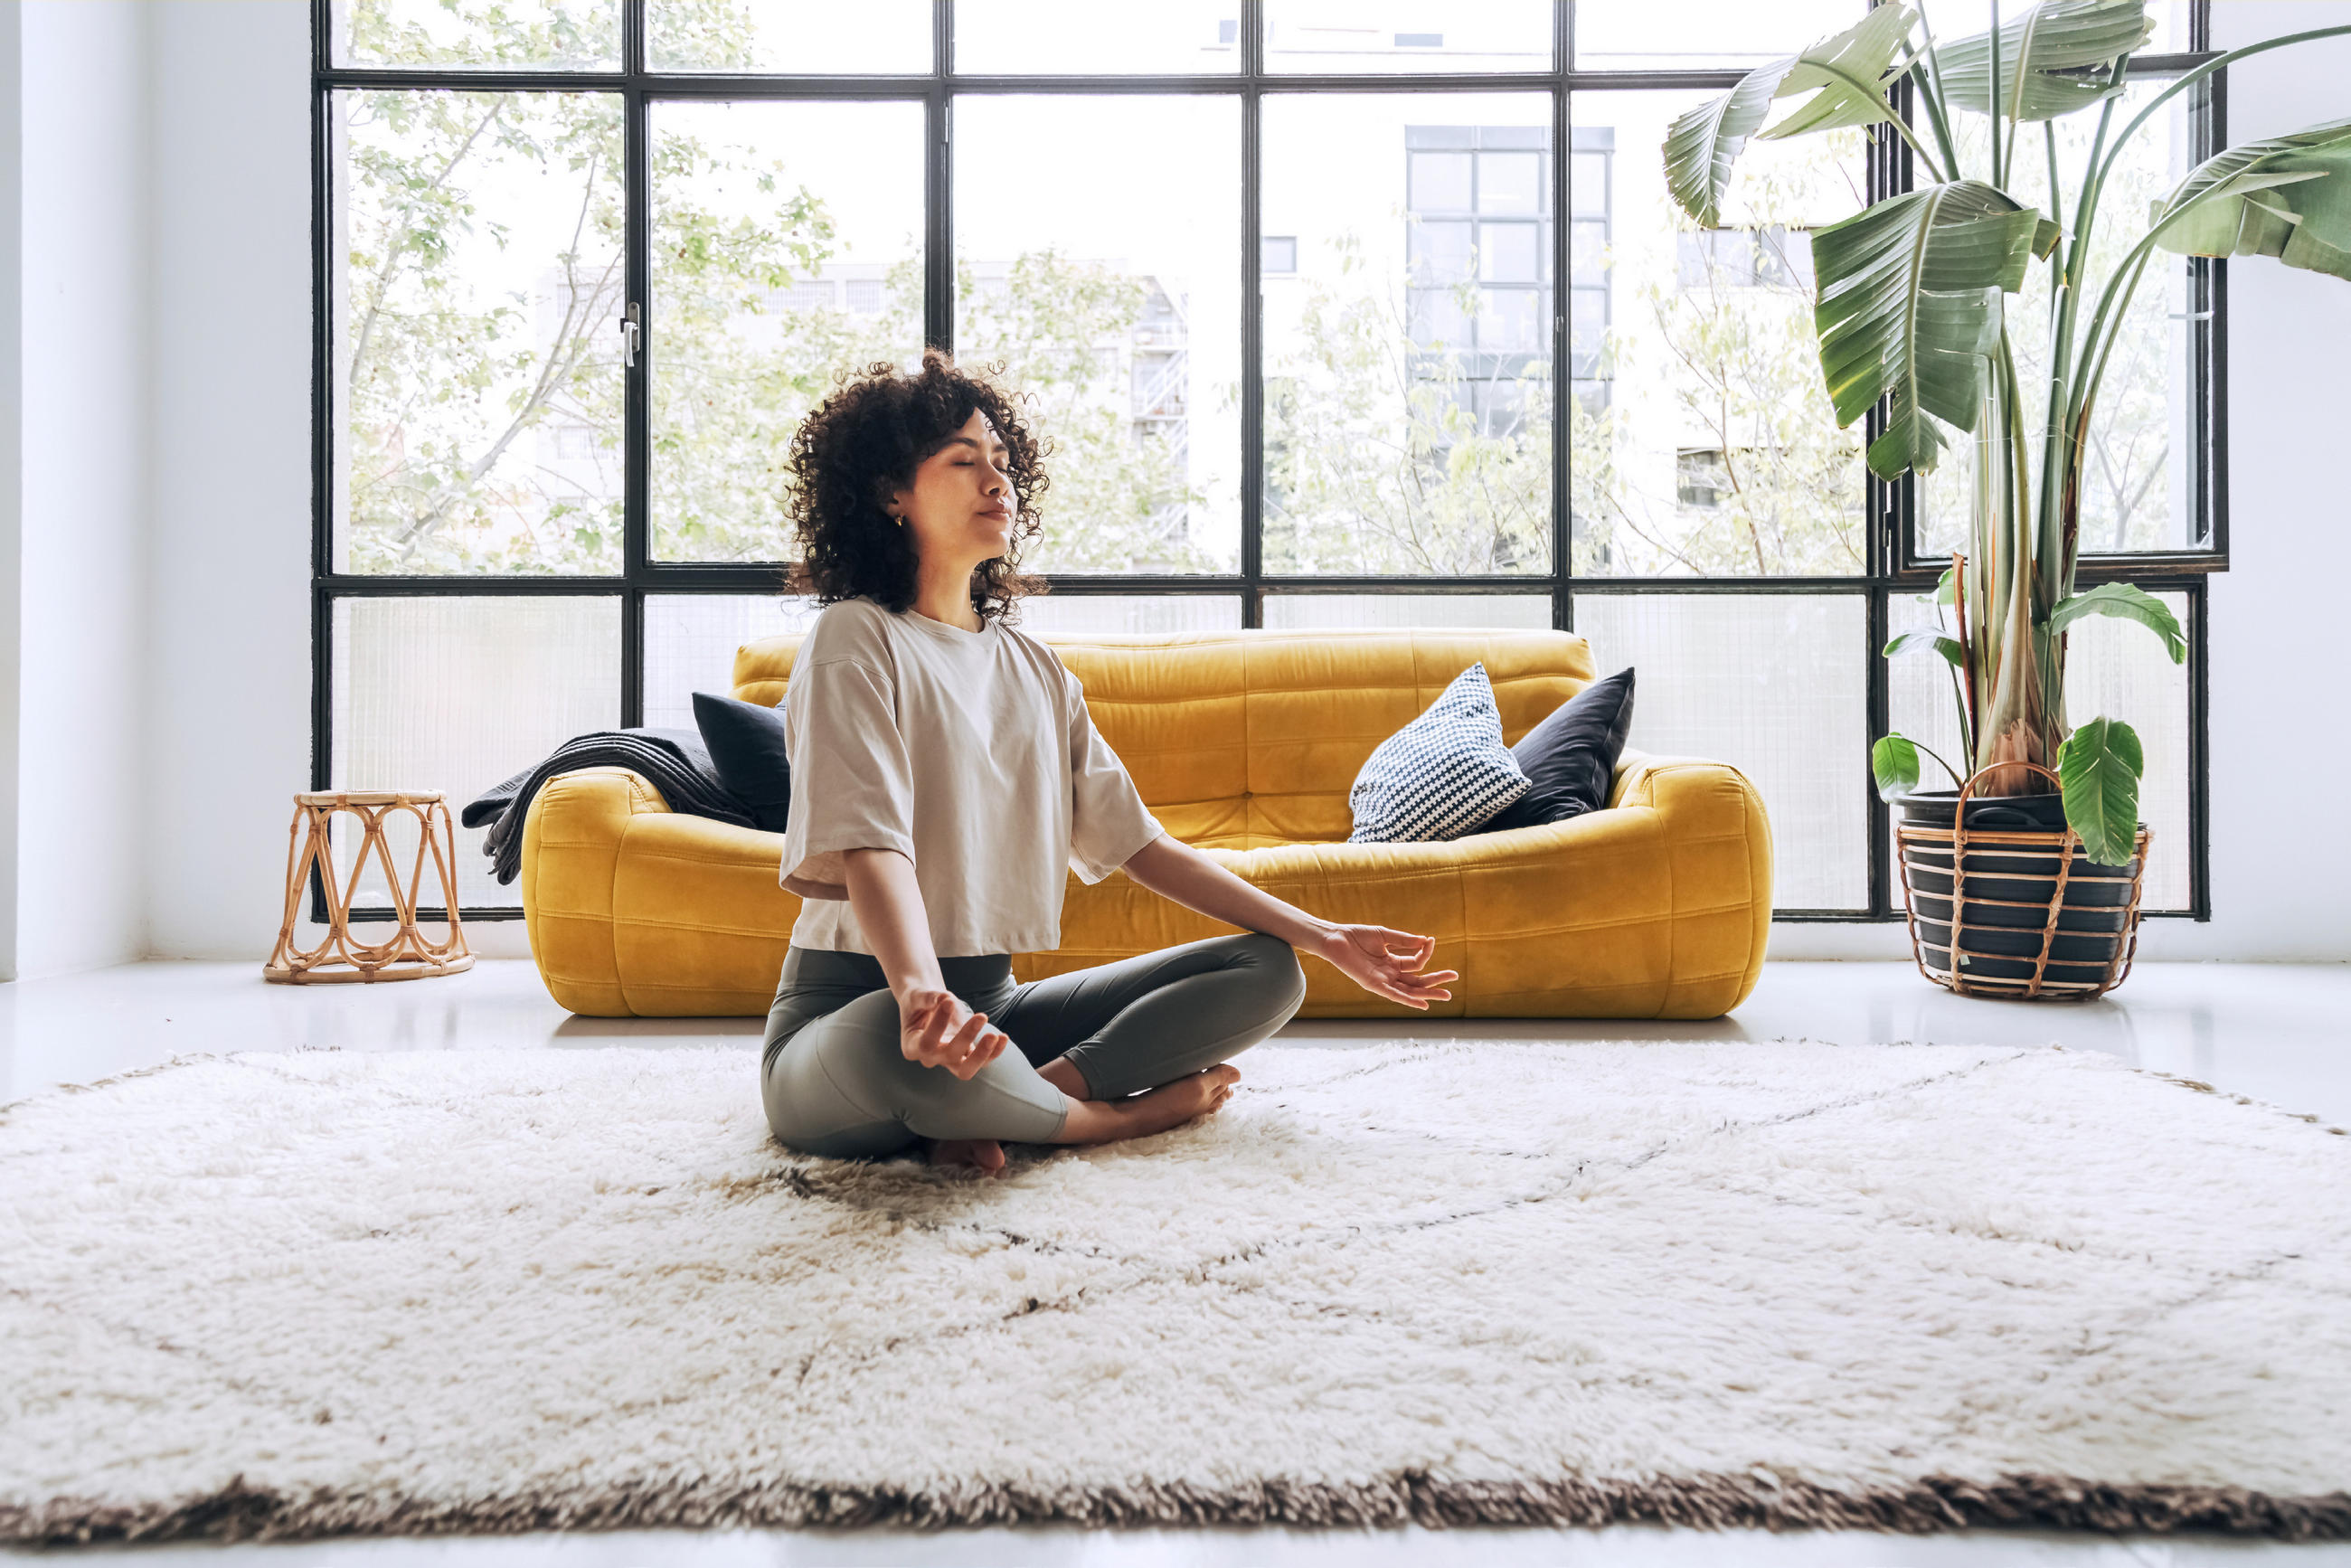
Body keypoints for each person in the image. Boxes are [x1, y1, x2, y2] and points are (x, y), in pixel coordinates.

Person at [761, 349, 1458, 1176]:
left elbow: (1141, 847)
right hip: (854, 1011)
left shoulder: (1036, 670)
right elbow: (872, 842)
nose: (998, 482)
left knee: (1266, 969)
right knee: (891, 1041)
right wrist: (917, 992)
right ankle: (1103, 1121)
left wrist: (1323, 934)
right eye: (963, 461)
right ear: (889, 493)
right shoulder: (856, 636)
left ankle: (1025, 1095)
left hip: (992, 1008)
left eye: (1003, 462)